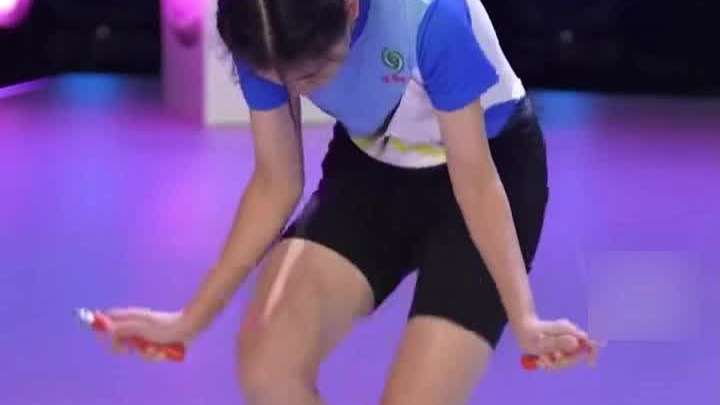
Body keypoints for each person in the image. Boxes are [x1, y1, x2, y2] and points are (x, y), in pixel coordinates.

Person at [105, 0, 599, 403]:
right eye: (280, 80)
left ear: (349, 7)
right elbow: (277, 183)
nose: (295, 89)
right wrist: (189, 321)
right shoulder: (260, 26)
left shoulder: (433, 17)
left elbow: (475, 181)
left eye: (312, 75)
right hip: (371, 171)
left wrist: (524, 318)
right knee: (268, 367)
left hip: (486, 170)